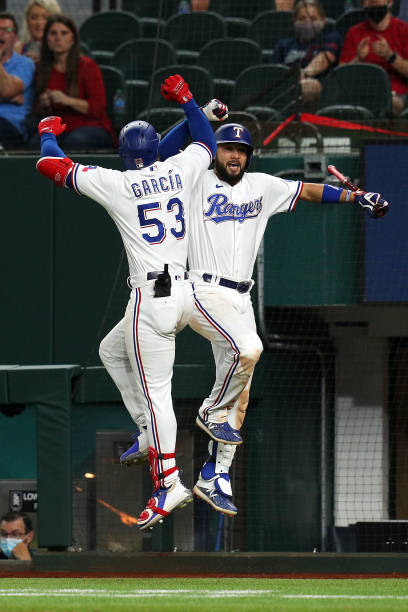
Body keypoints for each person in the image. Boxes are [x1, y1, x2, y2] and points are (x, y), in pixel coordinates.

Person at [100, 115, 389, 517]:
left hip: (240, 297)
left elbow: (307, 190)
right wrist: (194, 113)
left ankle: (215, 476)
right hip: (200, 287)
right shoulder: (193, 177)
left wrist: (354, 198)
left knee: (242, 386)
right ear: (213, 150)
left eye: (241, 150)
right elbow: (155, 158)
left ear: (249, 156)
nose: (234, 155)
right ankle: (198, 416)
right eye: (227, 148)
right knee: (248, 350)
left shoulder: (263, 186)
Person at [35, 74, 217, 531]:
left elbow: (50, 166)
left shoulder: (116, 183)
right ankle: (144, 431)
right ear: (158, 151)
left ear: (123, 155)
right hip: (183, 293)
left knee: (160, 396)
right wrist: (191, 103)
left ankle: (170, 481)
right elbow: (206, 143)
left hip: (150, 300)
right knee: (110, 351)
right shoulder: (178, 169)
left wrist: (46, 134)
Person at [32, 15, 115, 149]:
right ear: (46, 39)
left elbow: (98, 108)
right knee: (37, 142)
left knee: (75, 140)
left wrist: (66, 100)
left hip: (91, 126)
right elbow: (36, 109)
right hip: (58, 129)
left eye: (64, 33)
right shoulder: (41, 68)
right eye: (53, 33)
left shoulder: (87, 66)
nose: (58, 38)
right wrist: (44, 104)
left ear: (73, 39)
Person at [340, 0, 408, 115]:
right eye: (368, 2)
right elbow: (340, 76)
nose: (373, 5)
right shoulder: (354, 32)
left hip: (395, 94)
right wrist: (358, 59)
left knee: (392, 103)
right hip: (360, 93)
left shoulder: (404, 30)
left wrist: (391, 57)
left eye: (376, 2)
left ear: (390, 2)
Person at [273, 0, 343, 110]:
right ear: (294, 21)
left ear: (323, 21)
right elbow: (275, 71)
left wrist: (304, 74)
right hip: (285, 90)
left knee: (310, 86)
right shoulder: (283, 45)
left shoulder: (331, 38)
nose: (308, 22)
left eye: (313, 18)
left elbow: (326, 57)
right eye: (302, 18)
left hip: (322, 89)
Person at [0, 12, 35, 147]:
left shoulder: (25, 64)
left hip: (12, 127)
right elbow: (7, 95)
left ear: (15, 37)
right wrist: (8, 99)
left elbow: (7, 90)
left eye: (7, 30)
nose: (1, 34)